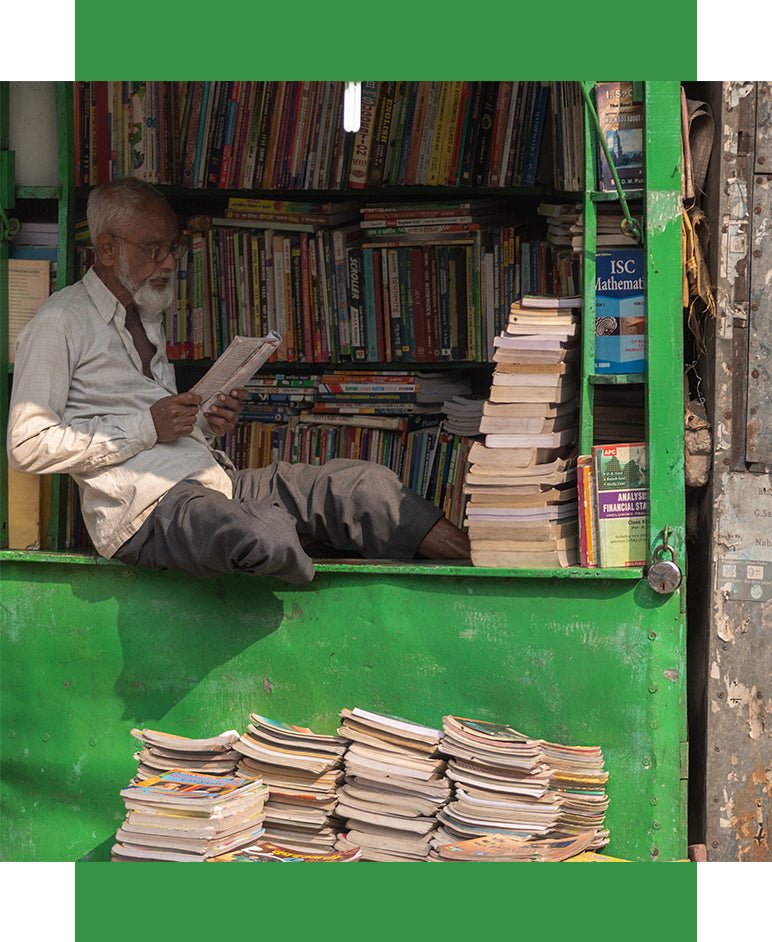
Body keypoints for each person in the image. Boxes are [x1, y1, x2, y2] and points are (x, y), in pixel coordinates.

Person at [7, 178, 470, 584]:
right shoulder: (58, 323)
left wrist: (204, 421)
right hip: (148, 512)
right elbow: (26, 444)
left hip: (217, 486)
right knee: (263, 532)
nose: (168, 262)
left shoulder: (146, 315)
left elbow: (164, 425)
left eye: (172, 247)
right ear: (107, 249)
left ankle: (493, 570)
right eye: (154, 248)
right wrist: (148, 426)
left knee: (365, 487)